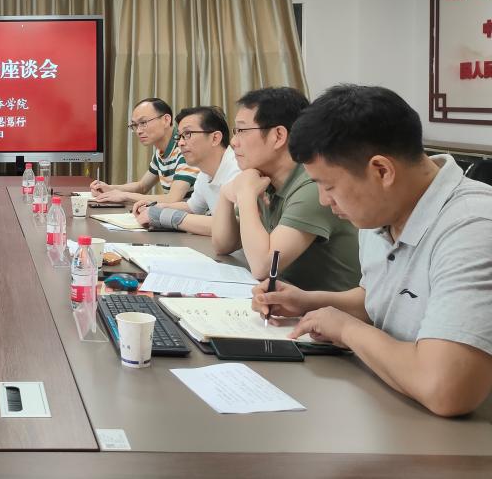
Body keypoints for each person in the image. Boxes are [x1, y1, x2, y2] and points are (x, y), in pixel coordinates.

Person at [252, 85, 492, 418]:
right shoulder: (382, 210)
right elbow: (381, 300)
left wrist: (347, 330)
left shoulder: (472, 227)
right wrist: (308, 302)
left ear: (381, 171)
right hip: (393, 406)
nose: (324, 200)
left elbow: (446, 389)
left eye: (329, 186)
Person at [211, 87, 360, 289]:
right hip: (289, 299)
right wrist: (225, 193)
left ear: (278, 136)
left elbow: (263, 266)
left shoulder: (313, 186)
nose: (234, 141)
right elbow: (223, 245)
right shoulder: (263, 179)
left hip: (328, 306)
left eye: (242, 131)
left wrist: (245, 193)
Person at [134, 106, 239, 236]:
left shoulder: (238, 170)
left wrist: (165, 216)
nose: (180, 143)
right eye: (179, 137)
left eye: (188, 134)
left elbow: (232, 226)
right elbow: (192, 207)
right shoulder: (204, 173)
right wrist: (156, 207)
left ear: (215, 138)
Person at [90, 98, 199, 206]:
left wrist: (124, 195)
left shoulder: (184, 148)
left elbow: (173, 198)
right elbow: (142, 186)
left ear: (166, 120)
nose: (138, 131)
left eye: (143, 123)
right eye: (134, 125)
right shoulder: (161, 152)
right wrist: (109, 188)